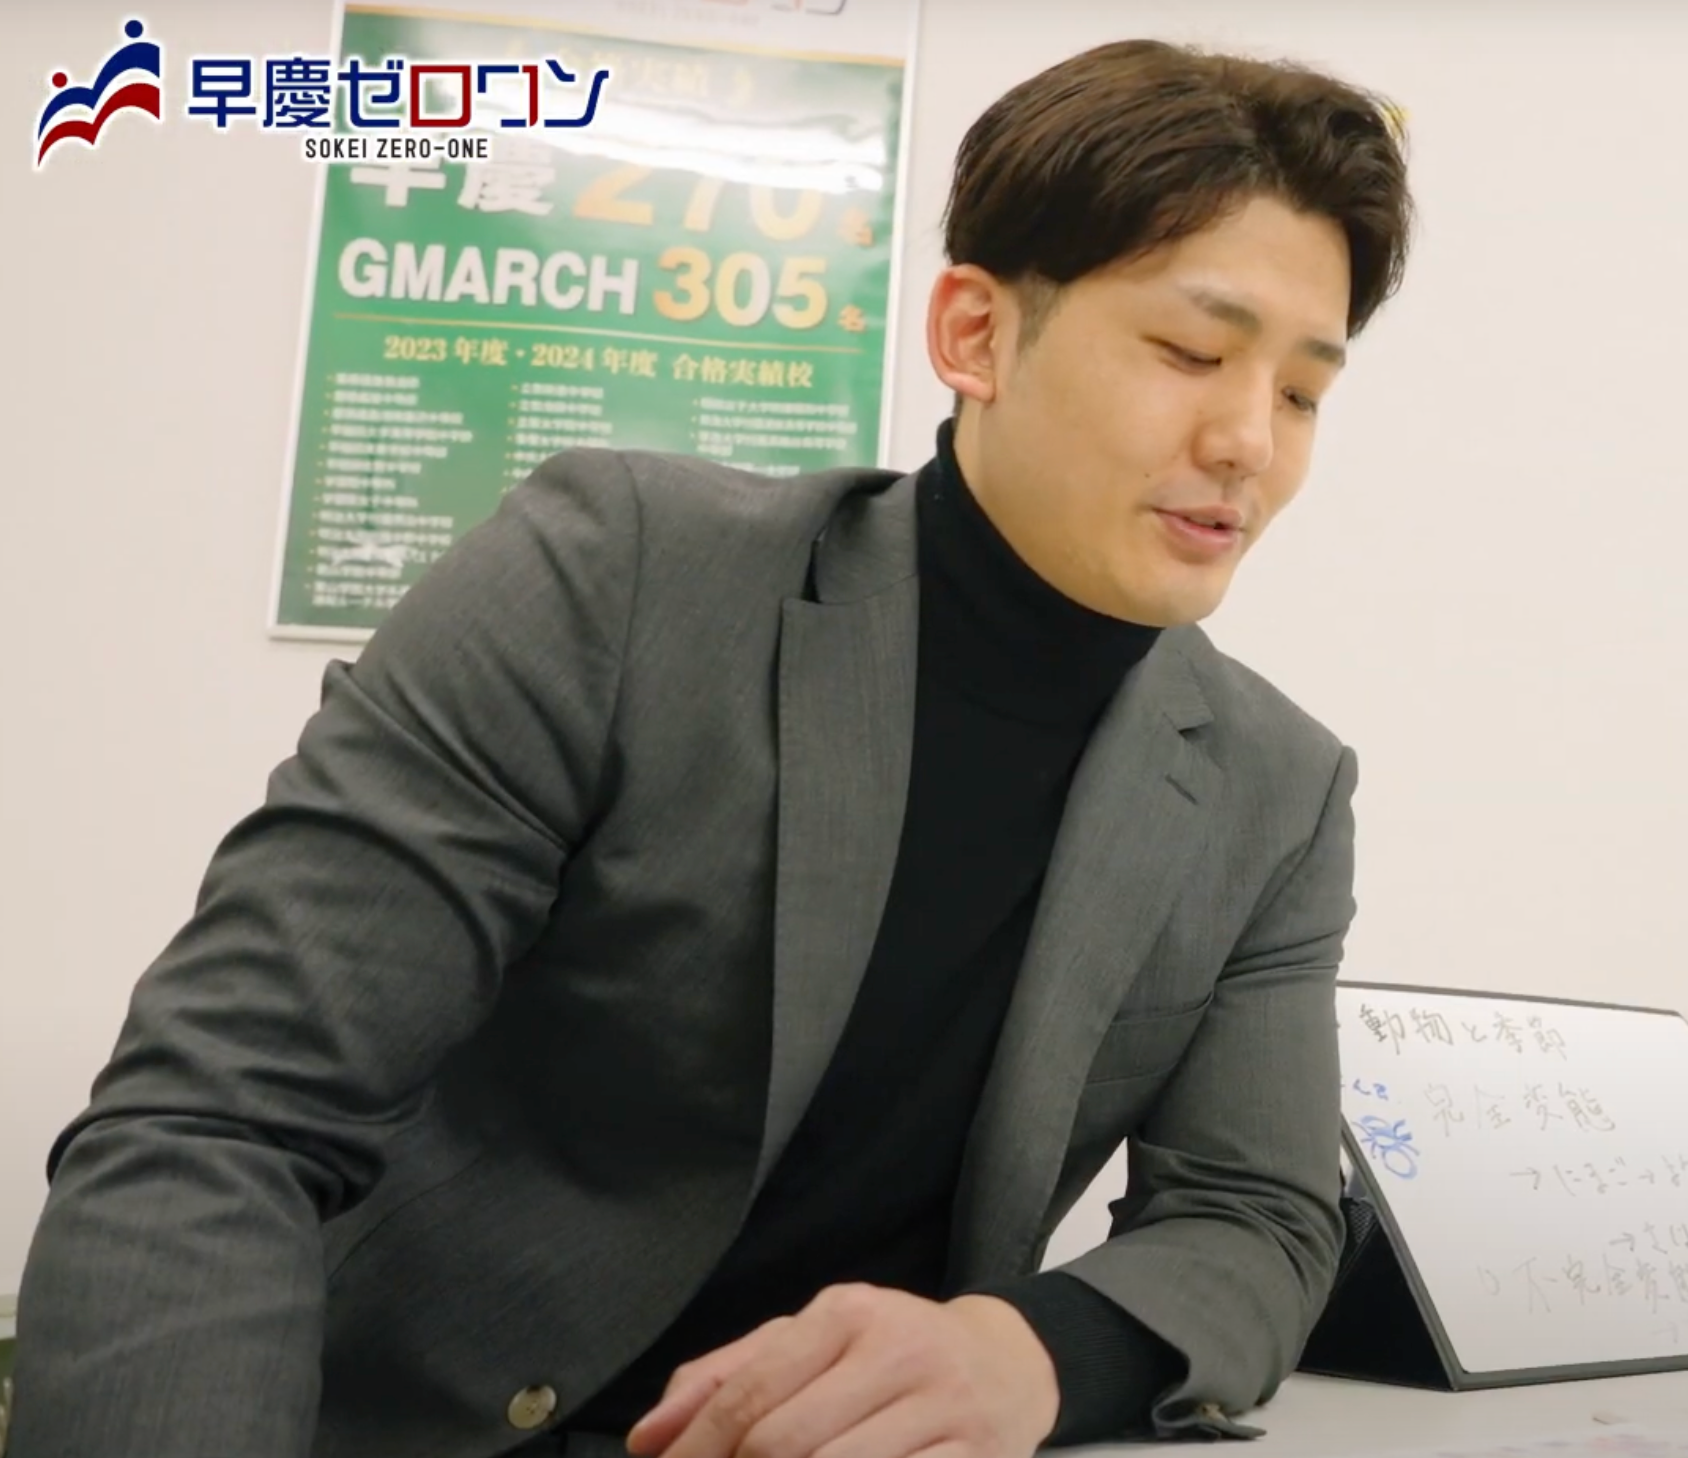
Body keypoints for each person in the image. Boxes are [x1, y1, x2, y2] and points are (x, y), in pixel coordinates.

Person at [11, 37, 1412, 1458]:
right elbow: (223, 1117)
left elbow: (1258, 1214)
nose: (1250, 442)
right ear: (976, 335)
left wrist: (1031, 1351)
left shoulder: (1275, 789)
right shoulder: (617, 580)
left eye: (1303, 392)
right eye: (1190, 353)